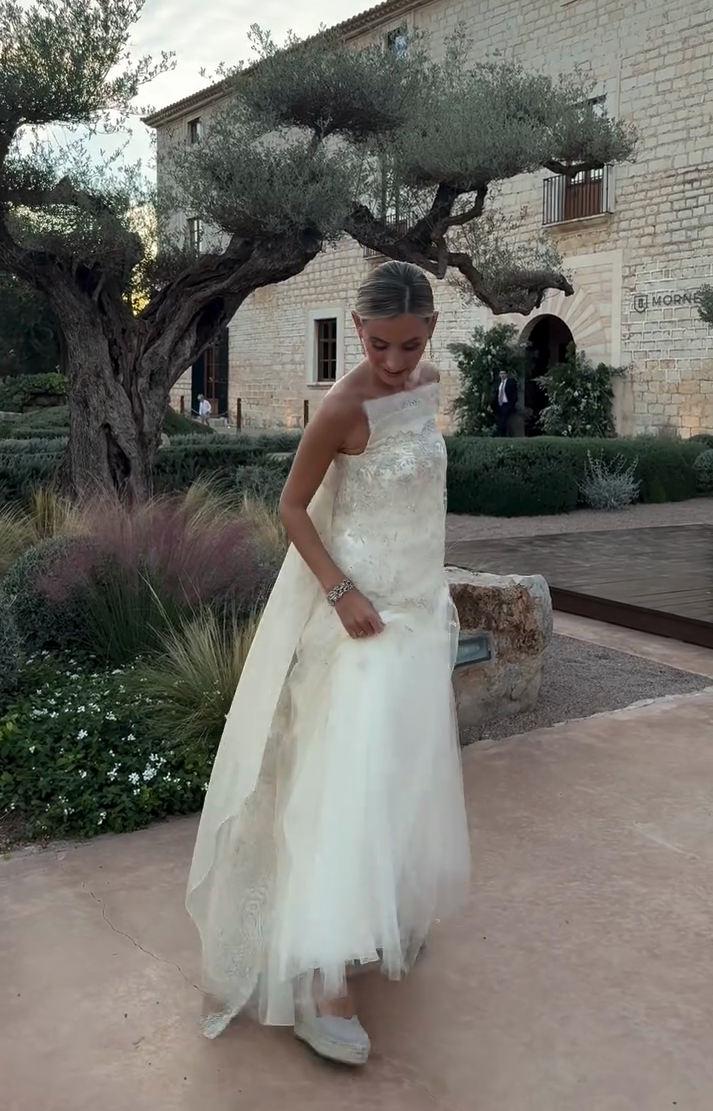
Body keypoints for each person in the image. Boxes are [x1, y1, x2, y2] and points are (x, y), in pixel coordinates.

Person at [186, 260, 471, 1067]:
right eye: (380, 345)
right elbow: (291, 508)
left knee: (398, 781)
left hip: (418, 615)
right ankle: (322, 984)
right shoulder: (343, 406)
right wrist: (341, 592)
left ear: (432, 331)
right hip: (358, 626)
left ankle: (372, 919)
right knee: (344, 792)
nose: (395, 362)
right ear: (357, 331)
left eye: (410, 345)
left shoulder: (430, 386)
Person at [492, 369, 518, 437]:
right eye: (501, 374)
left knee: (504, 421)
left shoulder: (510, 382)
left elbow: (514, 394)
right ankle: (501, 435)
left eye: (504, 374)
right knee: (499, 420)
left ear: (506, 374)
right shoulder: (498, 383)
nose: (502, 375)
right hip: (499, 404)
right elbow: (496, 394)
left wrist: (511, 404)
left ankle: (506, 435)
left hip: (507, 404)